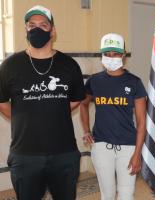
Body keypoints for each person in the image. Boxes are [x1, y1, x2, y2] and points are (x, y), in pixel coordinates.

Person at [0, 5, 85, 200]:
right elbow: (2, 102)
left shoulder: (69, 65)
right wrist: (25, 117)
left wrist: (52, 110)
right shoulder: (10, 65)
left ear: (52, 31)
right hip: (25, 155)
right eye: (32, 25)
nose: (36, 29)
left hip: (64, 154)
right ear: (26, 30)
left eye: (43, 25)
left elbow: (74, 100)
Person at [80, 33, 147, 200]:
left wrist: (137, 154)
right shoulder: (94, 81)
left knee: (126, 195)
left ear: (123, 55)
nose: (111, 58)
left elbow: (141, 122)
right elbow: (83, 103)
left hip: (128, 147)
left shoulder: (134, 82)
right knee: (107, 194)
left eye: (115, 54)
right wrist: (86, 130)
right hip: (101, 146)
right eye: (107, 54)